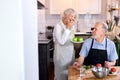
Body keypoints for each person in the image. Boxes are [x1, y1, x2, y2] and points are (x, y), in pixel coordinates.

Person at [53, 8, 78, 80]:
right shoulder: (58, 26)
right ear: (65, 16)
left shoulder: (72, 26)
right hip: (61, 55)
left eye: (74, 17)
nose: (72, 18)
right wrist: (68, 28)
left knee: (70, 74)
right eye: (71, 16)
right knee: (60, 75)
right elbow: (61, 41)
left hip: (70, 54)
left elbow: (71, 39)